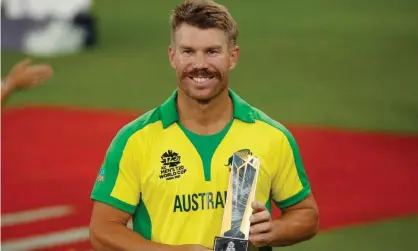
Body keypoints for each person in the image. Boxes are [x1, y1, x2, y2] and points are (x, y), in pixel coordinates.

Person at [89, 0, 319, 250]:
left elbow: (306, 214)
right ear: (172, 56)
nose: (200, 64)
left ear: (232, 57)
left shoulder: (271, 136)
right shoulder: (135, 140)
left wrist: (274, 230)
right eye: (188, 51)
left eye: (212, 51)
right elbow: (102, 231)